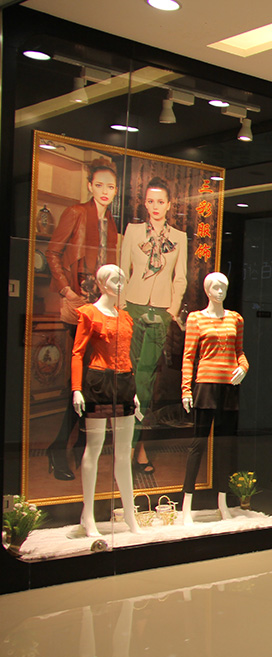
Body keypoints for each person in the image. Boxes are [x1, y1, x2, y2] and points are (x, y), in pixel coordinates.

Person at [45, 156, 120, 481]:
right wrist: (65, 290)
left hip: (100, 308)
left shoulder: (111, 223)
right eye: (99, 184)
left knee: (92, 382)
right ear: (90, 185)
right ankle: (62, 447)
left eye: (110, 186)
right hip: (78, 307)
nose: (104, 191)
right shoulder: (76, 212)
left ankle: (72, 447)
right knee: (78, 381)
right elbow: (52, 251)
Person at [120, 176, 189, 476]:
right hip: (132, 306)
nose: (156, 206)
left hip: (160, 311)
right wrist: (122, 307)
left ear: (169, 204)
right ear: (145, 204)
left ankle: (135, 446)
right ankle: (132, 448)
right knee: (128, 375)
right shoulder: (133, 231)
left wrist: (171, 311)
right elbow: (122, 270)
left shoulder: (180, 237)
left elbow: (180, 278)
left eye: (161, 201)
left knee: (145, 380)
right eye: (151, 201)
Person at [71, 265, 141, 537]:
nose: (120, 284)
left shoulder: (125, 317)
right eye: (114, 280)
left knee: (124, 452)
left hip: (124, 382)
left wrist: (133, 391)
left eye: (122, 279)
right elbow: (77, 353)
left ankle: (130, 514)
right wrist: (76, 388)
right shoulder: (90, 313)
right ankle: (88, 514)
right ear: (102, 284)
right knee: (94, 447)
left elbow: (127, 354)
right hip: (98, 382)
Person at [180, 272, 248, 525]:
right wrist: (186, 389)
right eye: (216, 287)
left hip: (228, 387)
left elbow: (239, 352)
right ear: (207, 290)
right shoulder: (196, 318)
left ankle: (222, 503)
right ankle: (186, 506)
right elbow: (189, 356)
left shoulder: (235, 319)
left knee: (224, 446)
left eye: (224, 288)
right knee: (197, 445)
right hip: (205, 386)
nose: (220, 292)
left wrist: (244, 367)